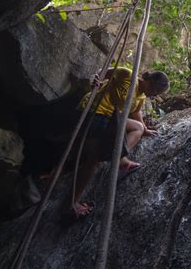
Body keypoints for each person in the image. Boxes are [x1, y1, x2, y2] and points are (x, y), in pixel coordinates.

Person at [72, 66, 169, 218]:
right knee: (93, 162)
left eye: (156, 94)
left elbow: (136, 112)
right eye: (154, 90)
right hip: (94, 112)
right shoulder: (127, 74)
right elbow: (106, 71)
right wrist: (97, 79)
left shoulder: (141, 97)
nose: (152, 95)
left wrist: (145, 129)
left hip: (109, 120)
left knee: (138, 128)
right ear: (148, 80)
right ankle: (71, 203)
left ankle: (118, 158)